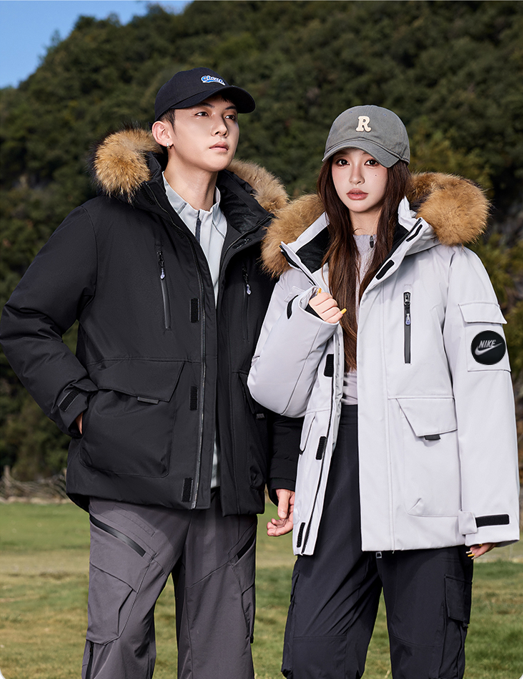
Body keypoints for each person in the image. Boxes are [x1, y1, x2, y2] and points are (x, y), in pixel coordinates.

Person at [0, 67, 300, 679]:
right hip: (130, 480)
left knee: (224, 666)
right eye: (202, 115)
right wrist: (82, 411)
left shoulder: (263, 242)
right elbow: (25, 320)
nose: (221, 127)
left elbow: (282, 363)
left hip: (229, 492)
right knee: (117, 652)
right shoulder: (102, 223)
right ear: (163, 133)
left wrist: (281, 465)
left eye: (229, 117)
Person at [248, 105, 520, 679]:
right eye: (342, 161)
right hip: (334, 473)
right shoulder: (303, 264)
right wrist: (310, 320)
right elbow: (274, 392)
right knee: (313, 659)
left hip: (428, 481)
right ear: (327, 172)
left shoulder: (451, 262)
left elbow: (483, 388)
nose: (355, 176)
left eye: (371, 162)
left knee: (428, 663)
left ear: (397, 172)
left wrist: (490, 510)